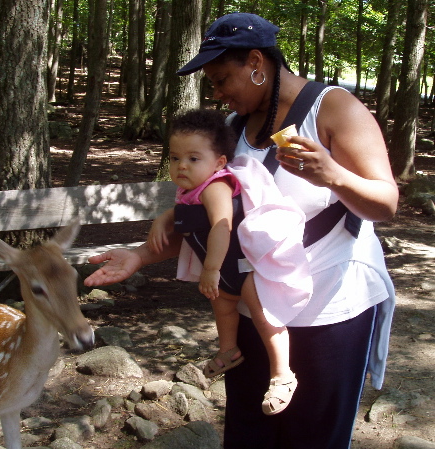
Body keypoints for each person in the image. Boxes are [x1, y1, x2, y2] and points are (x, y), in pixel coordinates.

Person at [85, 12, 398, 449]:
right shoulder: (231, 131)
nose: (217, 94)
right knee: (251, 431)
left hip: (331, 302)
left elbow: (385, 202)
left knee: (313, 435)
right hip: (256, 303)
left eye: (222, 79)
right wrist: (139, 255)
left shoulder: (334, 107)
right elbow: (207, 216)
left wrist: (332, 175)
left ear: (257, 61)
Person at [150, 108, 312, 415]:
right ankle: (229, 351)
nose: (181, 166)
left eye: (193, 159)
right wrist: (164, 219)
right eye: (174, 158)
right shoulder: (191, 189)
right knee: (223, 308)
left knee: (265, 317)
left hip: (243, 268)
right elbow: (185, 211)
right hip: (226, 273)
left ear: (219, 163)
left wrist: (210, 269)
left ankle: (282, 374)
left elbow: (222, 225)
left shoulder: (216, 187)